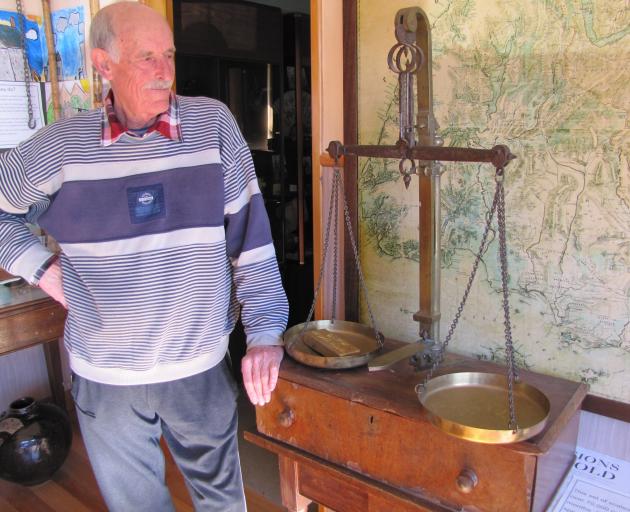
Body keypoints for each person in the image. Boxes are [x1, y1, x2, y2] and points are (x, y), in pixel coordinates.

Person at [0, 3, 288, 511]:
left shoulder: (212, 125)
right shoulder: (61, 146)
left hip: (199, 369)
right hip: (106, 380)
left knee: (224, 505)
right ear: (102, 63)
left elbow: (253, 241)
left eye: (169, 54)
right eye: (147, 57)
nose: (165, 71)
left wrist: (264, 336)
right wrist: (43, 270)